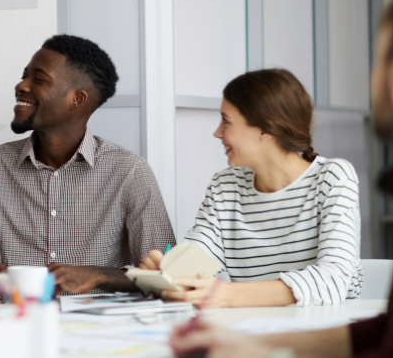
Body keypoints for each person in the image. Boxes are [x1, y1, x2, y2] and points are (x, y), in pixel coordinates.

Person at [171, 0, 393, 357]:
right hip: (269, 329)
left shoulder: (345, 180)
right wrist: (175, 269)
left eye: (377, 61)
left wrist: (232, 300)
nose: (217, 133)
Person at [0, 35, 176, 294]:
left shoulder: (130, 171)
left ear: (77, 99)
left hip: (102, 329)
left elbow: (166, 275)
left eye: (38, 79)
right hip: (20, 321)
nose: (21, 85)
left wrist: (100, 277)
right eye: (24, 75)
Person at [139, 69, 362, 308]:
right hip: (250, 333)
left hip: (326, 333)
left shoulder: (332, 177)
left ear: (265, 129)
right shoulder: (224, 186)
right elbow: (198, 261)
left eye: (226, 120)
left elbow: (333, 279)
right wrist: (170, 273)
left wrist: (228, 295)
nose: (217, 133)